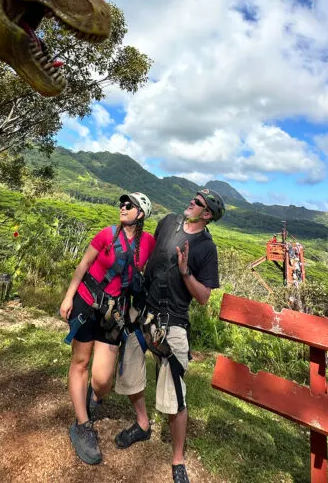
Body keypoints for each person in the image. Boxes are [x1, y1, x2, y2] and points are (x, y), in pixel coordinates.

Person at [114, 188, 225, 483]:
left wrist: (186, 273)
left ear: (208, 214)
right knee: (129, 375)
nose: (191, 202)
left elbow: (203, 297)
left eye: (198, 203)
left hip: (173, 321)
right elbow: (147, 256)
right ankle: (142, 423)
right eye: (193, 198)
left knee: (175, 397)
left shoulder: (206, 248)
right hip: (143, 311)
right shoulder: (168, 222)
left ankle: (178, 459)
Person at [59, 192, 155, 466]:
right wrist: (68, 297)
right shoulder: (107, 235)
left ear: (141, 214)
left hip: (115, 314)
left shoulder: (147, 243)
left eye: (129, 206)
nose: (122, 208)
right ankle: (82, 425)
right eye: (122, 204)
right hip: (87, 304)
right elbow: (84, 265)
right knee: (80, 361)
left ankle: (91, 397)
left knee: (102, 380)